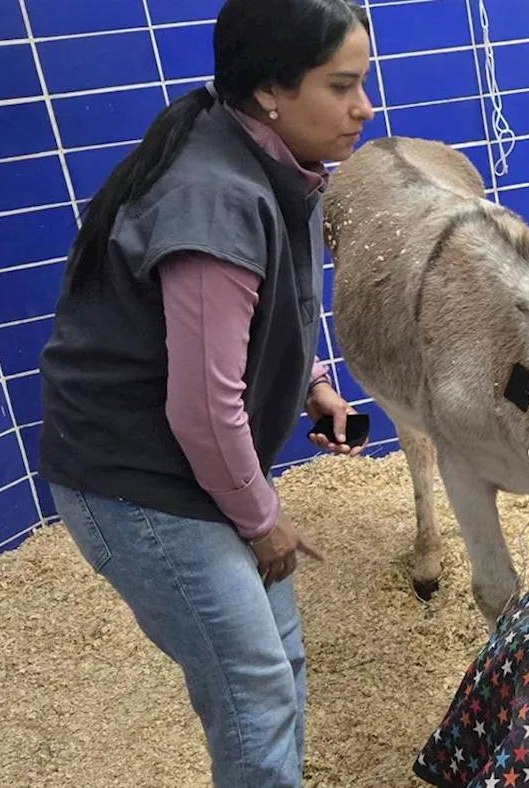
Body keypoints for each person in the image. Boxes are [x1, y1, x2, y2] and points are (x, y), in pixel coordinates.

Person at [36, 1, 375, 784]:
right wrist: (264, 523)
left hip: (191, 466)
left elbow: (257, 320)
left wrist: (311, 386)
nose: (364, 107)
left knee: (278, 658)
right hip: (139, 483)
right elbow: (202, 408)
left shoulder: (264, 153)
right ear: (270, 92)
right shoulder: (215, 197)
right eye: (343, 85)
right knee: (253, 687)